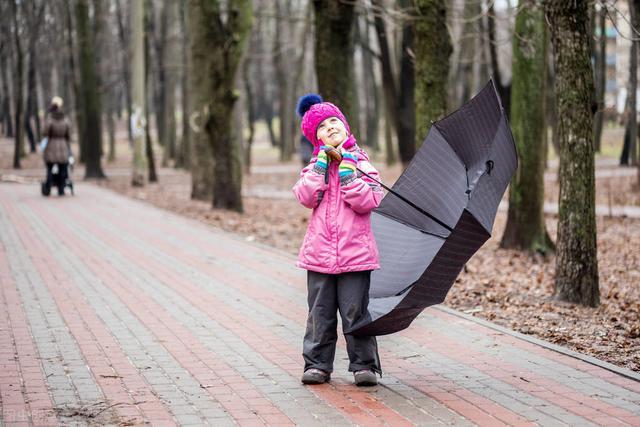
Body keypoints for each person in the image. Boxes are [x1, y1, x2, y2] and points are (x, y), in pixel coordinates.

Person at [293, 94, 383, 387]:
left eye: (334, 121)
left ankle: (364, 365)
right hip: (319, 254)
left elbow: (370, 200)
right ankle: (318, 364)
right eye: (322, 126)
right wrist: (321, 167)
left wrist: (348, 176)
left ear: (345, 127)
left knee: (356, 311)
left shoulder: (362, 165)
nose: (330, 127)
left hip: (355, 254)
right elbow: (305, 197)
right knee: (319, 313)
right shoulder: (313, 168)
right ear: (316, 139)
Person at [42, 96, 72, 196]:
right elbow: (69, 133)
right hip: (63, 145)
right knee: (63, 168)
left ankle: (48, 187)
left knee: (50, 168)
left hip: (51, 145)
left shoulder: (50, 118)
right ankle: (61, 188)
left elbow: (45, 132)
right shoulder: (65, 119)